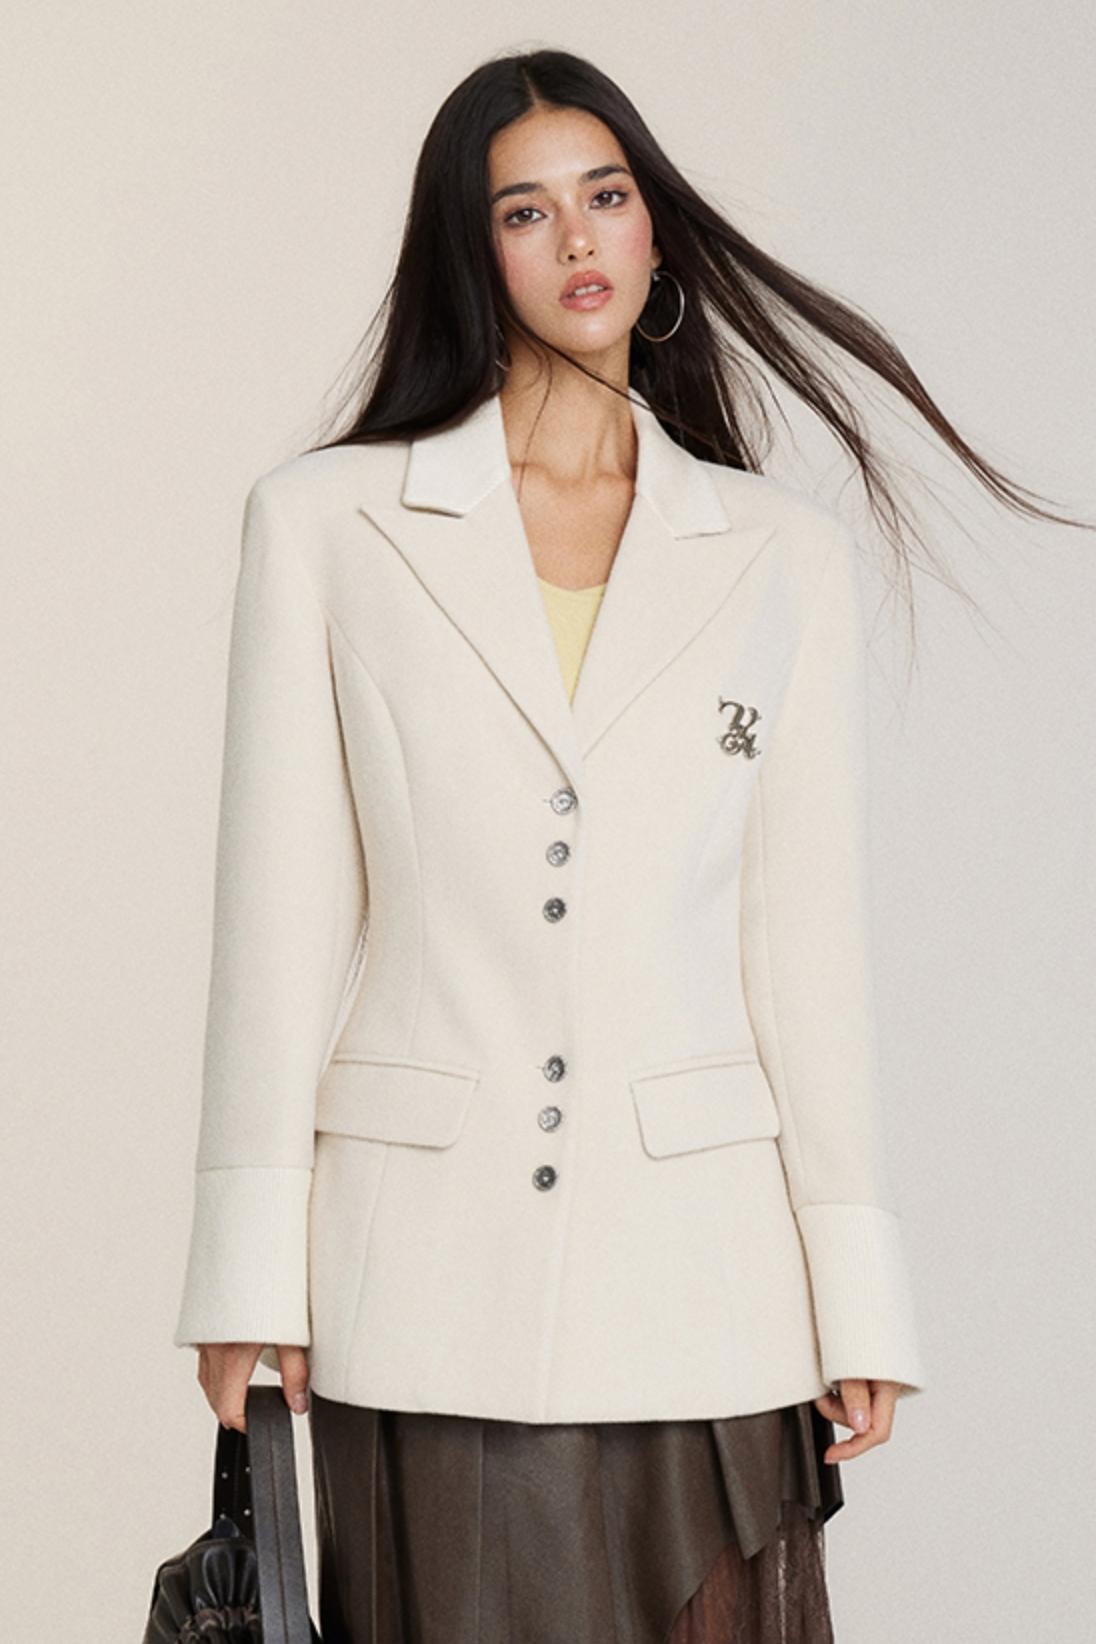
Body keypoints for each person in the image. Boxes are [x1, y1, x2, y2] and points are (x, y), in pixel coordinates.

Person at [172, 48, 1089, 1644]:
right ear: (473, 251)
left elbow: (803, 952)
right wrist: (248, 1268)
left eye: (604, 195)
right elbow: (279, 918)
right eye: (524, 211)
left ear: (654, 228)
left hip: (707, 1278)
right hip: (423, 1276)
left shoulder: (780, 558)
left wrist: (855, 1286)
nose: (577, 237)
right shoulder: (327, 525)